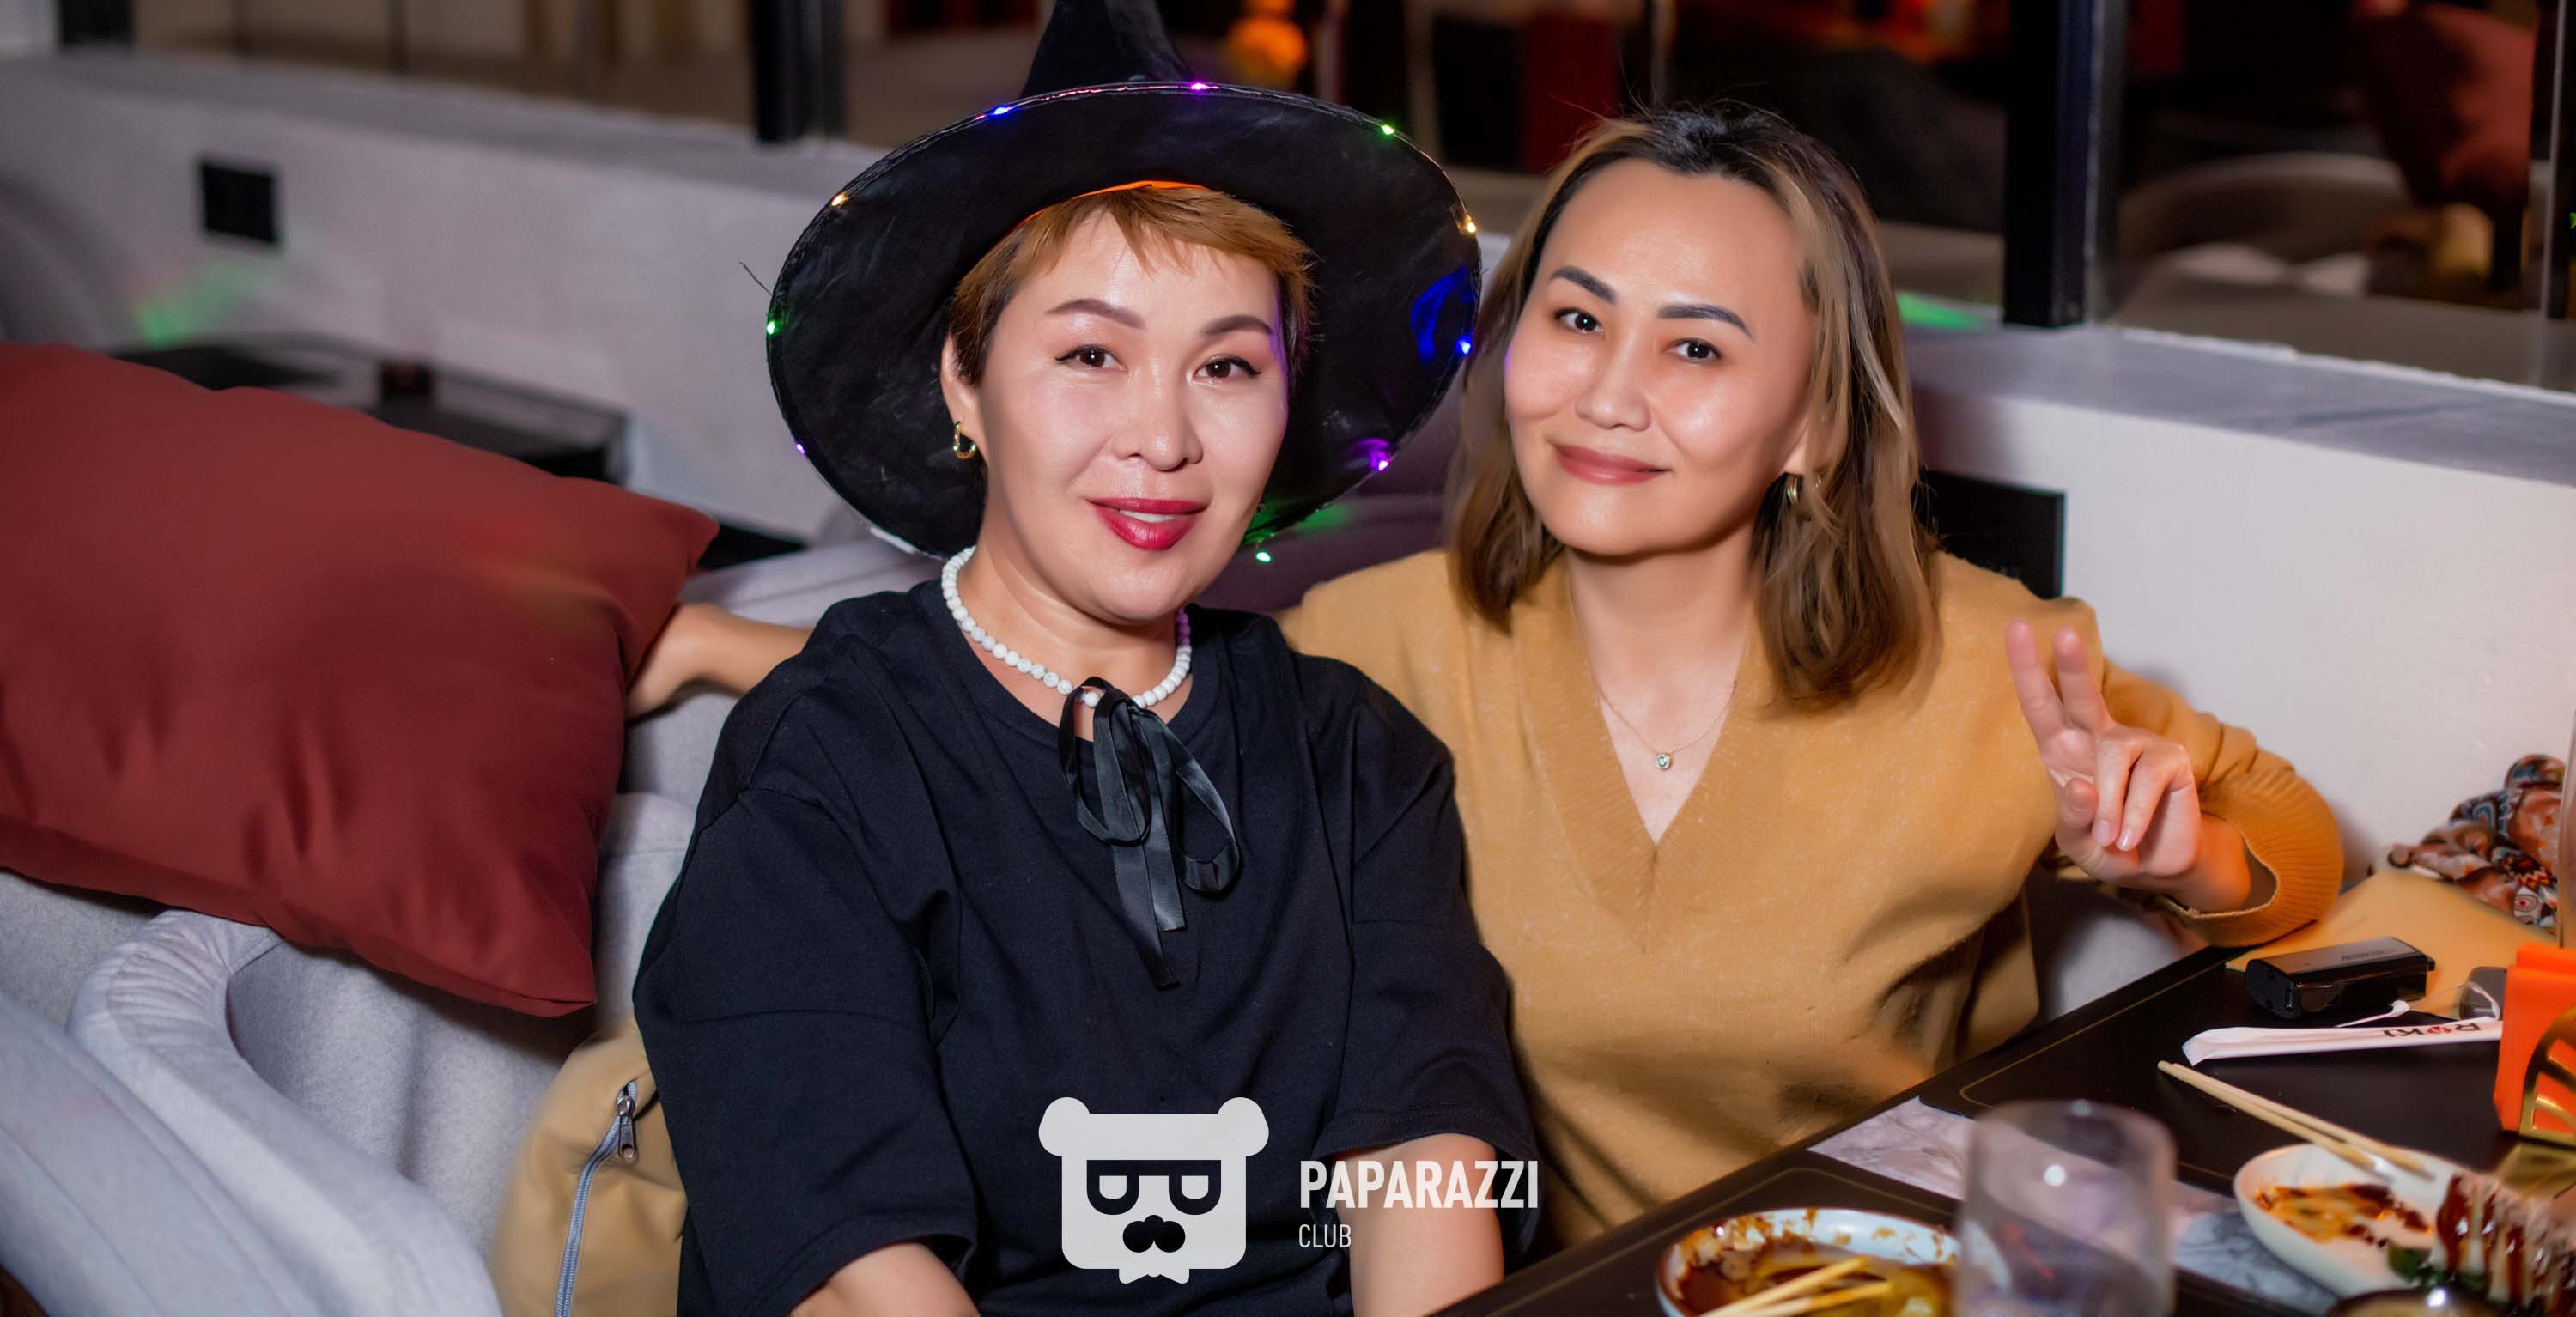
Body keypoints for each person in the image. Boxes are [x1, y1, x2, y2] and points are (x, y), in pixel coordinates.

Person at [641, 100, 2345, 1251]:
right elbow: (1061, 691)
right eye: (1576, 318)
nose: (1609, 394)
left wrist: (2181, 858)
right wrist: (727, 647)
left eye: (1697, 345)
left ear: (1815, 423)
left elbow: (2301, 862)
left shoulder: (1987, 663)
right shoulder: (1382, 653)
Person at [629, 0, 1534, 1317]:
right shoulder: (828, 758)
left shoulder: (1353, 756)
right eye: (1091, 356)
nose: (1162, 441)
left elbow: (1424, 1166)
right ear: (964, 381)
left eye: (1226, 368)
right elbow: (849, 1268)